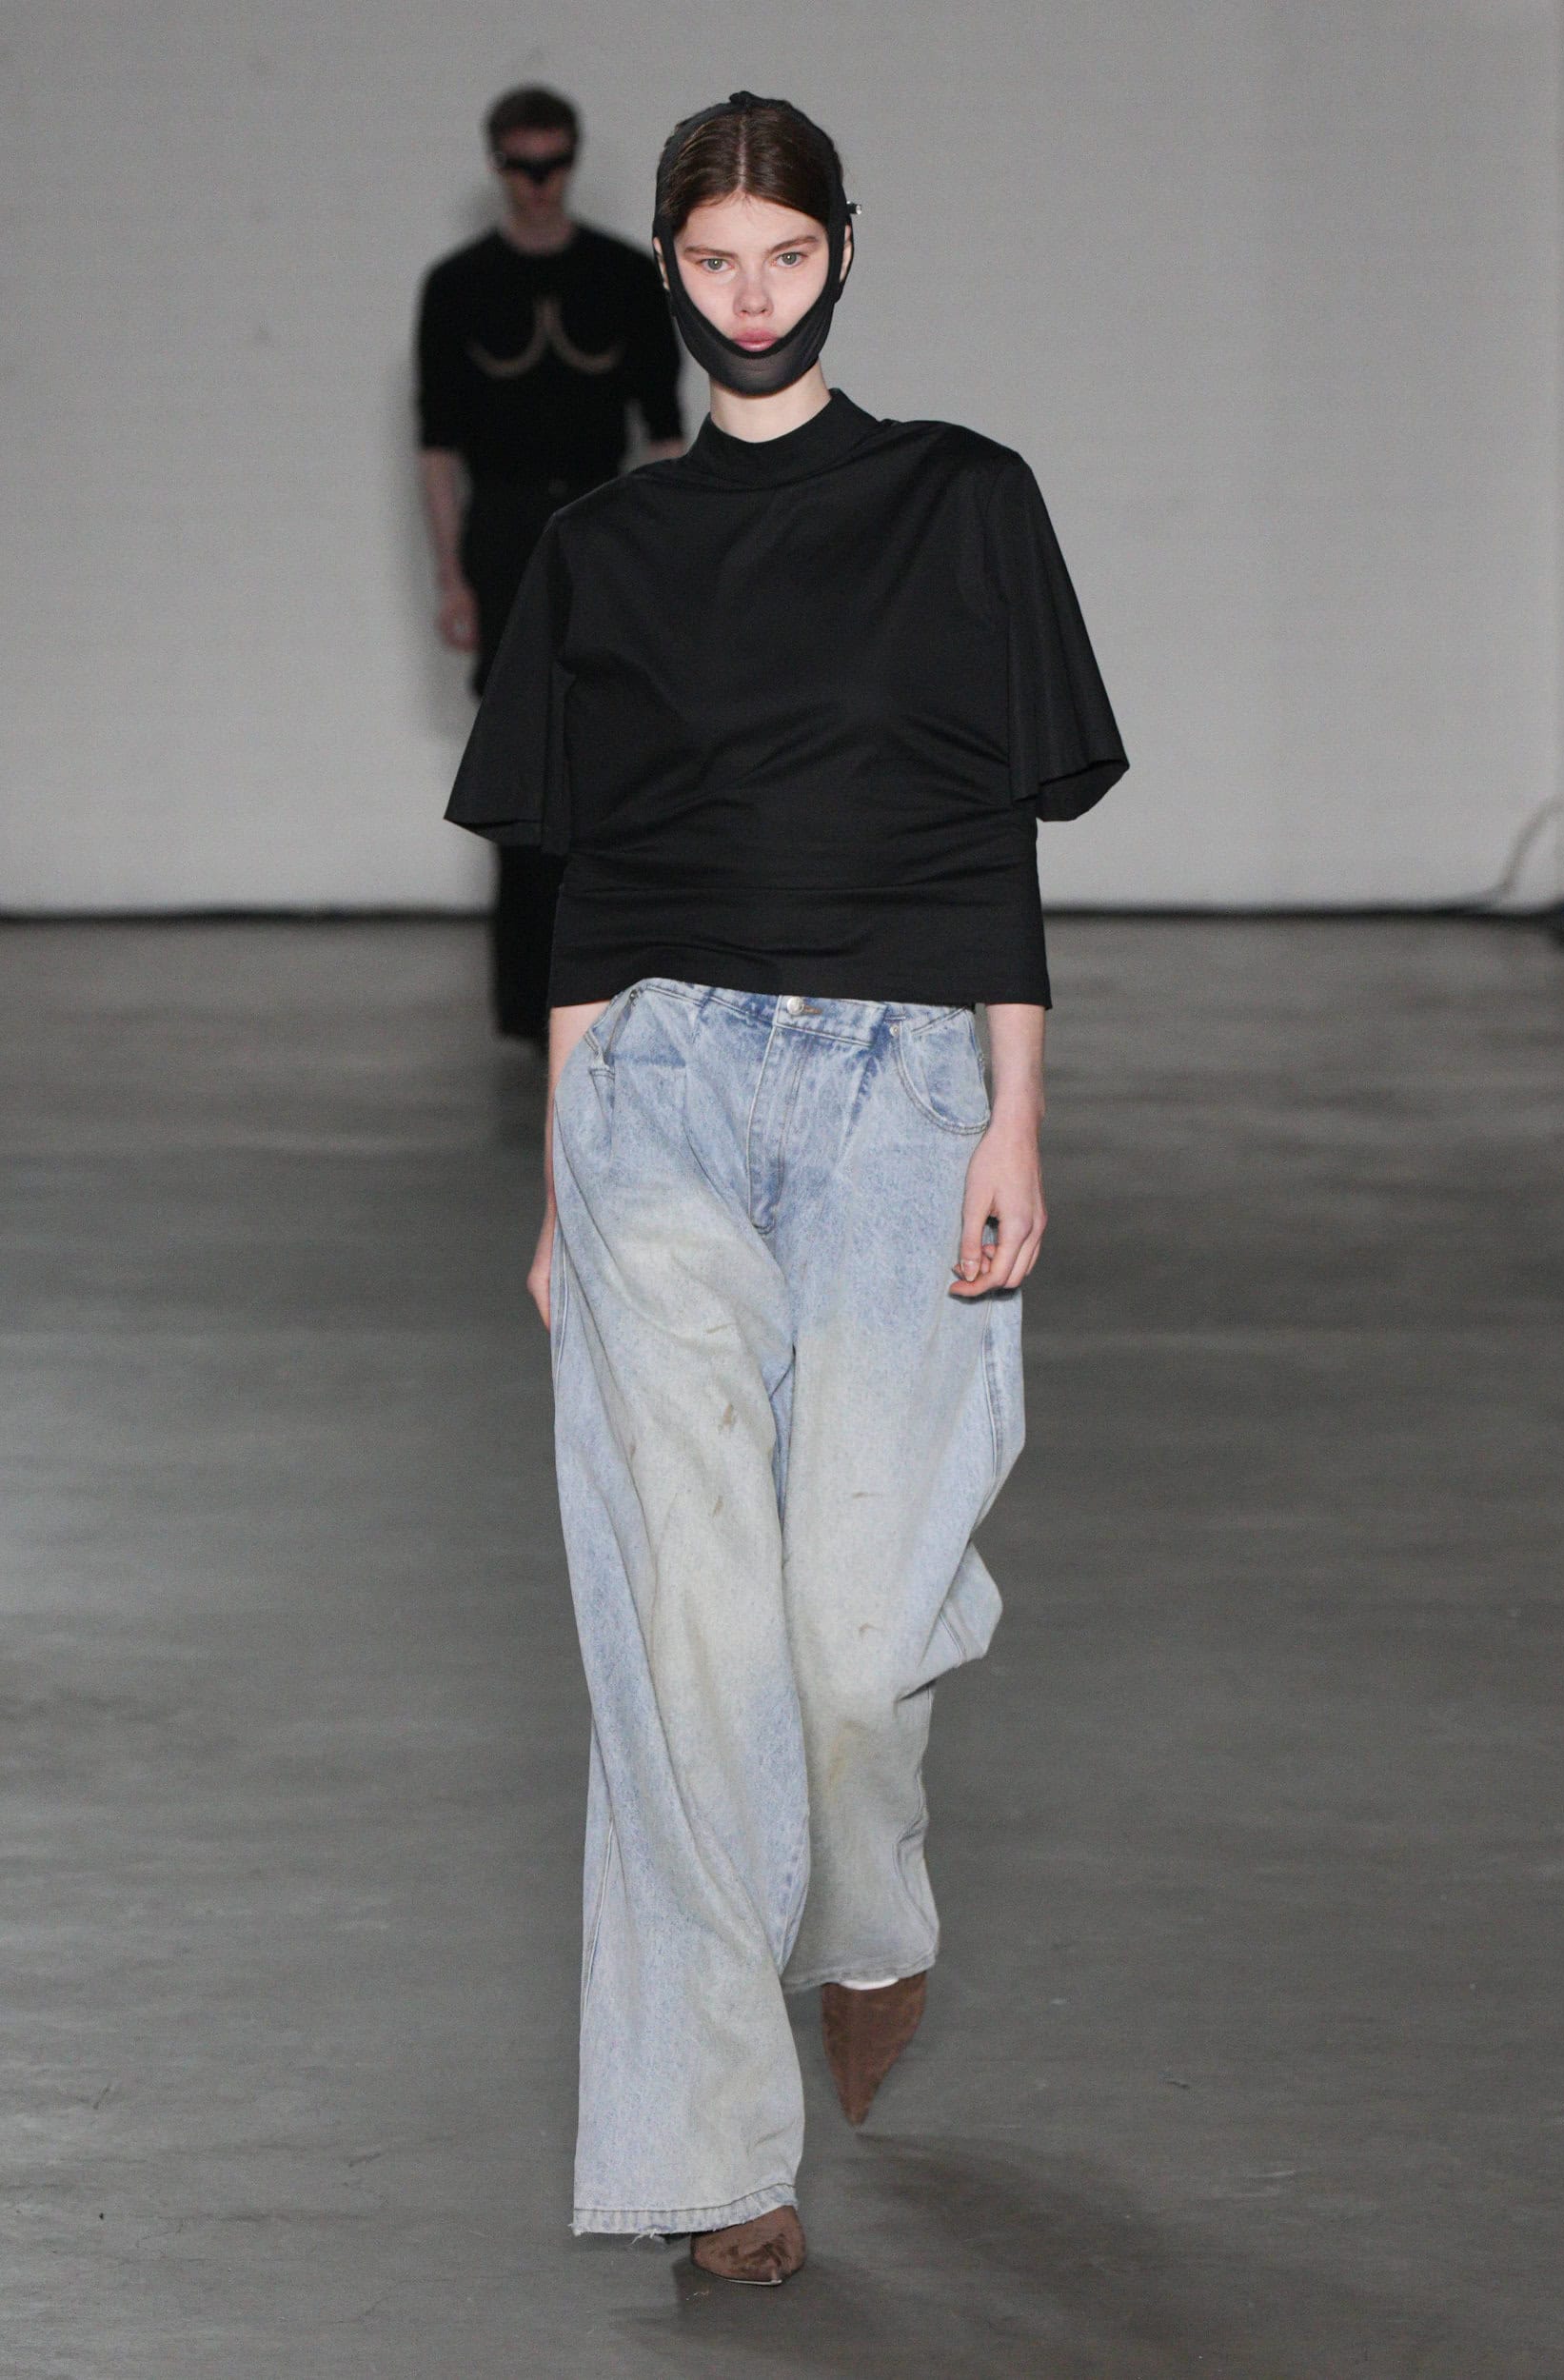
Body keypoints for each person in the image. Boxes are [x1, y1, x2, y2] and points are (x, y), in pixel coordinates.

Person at [445, 90, 1127, 2285]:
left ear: (842, 251)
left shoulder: (961, 498)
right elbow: (587, 881)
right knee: (681, 1633)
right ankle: (711, 2152)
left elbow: (986, 828)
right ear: (668, 270)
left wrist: (1015, 1112)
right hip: (656, 1088)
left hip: (902, 1088)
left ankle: (868, 1910)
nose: (750, 299)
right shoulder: (604, 547)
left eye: (786, 256)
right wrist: (558, 1178)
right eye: (713, 262)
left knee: (845, 1637)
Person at [416, 86, 684, 1045]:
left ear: (573, 158)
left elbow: (665, 430)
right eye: (523, 165)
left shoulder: (623, 277)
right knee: (515, 758)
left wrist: (662, 557)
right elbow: (436, 445)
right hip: (502, 534)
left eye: (554, 162)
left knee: (609, 752)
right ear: (497, 164)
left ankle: (601, 981)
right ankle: (527, 997)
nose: (540, 182)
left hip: (603, 526)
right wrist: (451, 576)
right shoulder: (458, 286)